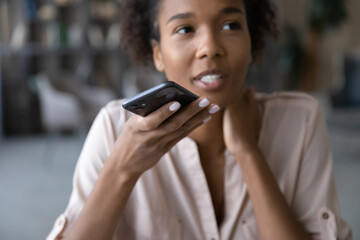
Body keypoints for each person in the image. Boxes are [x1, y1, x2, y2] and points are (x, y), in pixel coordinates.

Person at [47, 0, 352, 239]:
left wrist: (248, 151)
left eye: (231, 25)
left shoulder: (301, 122)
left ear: (252, 41)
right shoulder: (115, 128)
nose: (211, 48)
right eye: (185, 29)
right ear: (158, 54)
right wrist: (123, 168)